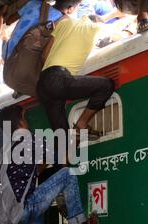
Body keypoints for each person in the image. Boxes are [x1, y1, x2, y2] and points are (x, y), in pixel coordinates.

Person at [37, 0, 115, 143]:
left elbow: (44, 56)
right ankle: (81, 124)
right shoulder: (94, 28)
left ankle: (59, 164)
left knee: (63, 140)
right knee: (107, 85)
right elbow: (117, 34)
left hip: (43, 84)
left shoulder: (65, 23)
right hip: (59, 79)